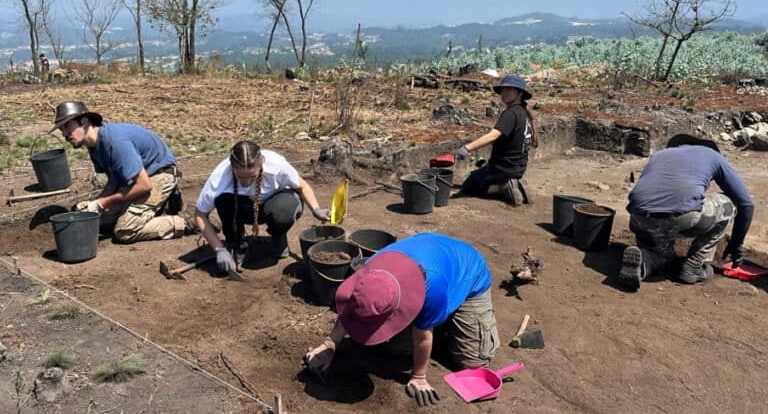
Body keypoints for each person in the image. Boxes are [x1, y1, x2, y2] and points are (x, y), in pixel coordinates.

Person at [305, 232, 499, 407]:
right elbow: (351, 309)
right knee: (397, 349)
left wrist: (418, 376)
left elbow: (422, 337)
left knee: (473, 361)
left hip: (467, 276)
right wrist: (330, 343)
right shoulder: (370, 275)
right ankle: (436, 317)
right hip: (430, 254)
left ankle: (441, 316)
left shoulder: (431, 285)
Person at [620, 132, 754, 289]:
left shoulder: (660, 155)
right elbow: (746, 204)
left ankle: (646, 259)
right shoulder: (712, 155)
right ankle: (694, 264)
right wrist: (736, 244)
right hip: (681, 219)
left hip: (639, 219)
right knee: (728, 203)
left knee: (664, 260)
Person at [50, 101, 189, 243]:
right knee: (98, 222)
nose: (64, 134)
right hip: (138, 178)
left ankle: (185, 221)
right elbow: (114, 180)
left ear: (84, 122)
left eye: (67, 126)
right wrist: (95, 204)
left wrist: (104, 202)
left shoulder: (116, 143)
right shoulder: (94, 146)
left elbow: (145, 185)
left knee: (124, 231)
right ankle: (157, 209)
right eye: (61, 129)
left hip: (159, 175)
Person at [194, 140, 330, 272]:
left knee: (283, 210)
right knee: (223, 199)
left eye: (252, 176)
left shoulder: (277, 166)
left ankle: (278, 236)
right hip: (243, 209)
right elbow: (200, 214)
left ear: (261, 165)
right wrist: (219, 249)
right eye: (240, 177)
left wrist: (316, 209)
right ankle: (236, 244)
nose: (246, 182)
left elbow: (302, 186)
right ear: (232, 168)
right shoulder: (220, 178)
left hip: (273, 205)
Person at [457, 74, 538, 205]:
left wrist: (467, 148)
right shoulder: (523, 112)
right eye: (503, 90)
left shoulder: (511, 114)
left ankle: (503, 187)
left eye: (510, 90)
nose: (504, 93)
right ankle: (516, 182)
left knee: (469, 185)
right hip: (518, 168)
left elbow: (492, 135)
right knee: (481, 167)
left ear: (519, 93)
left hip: (503, 169)